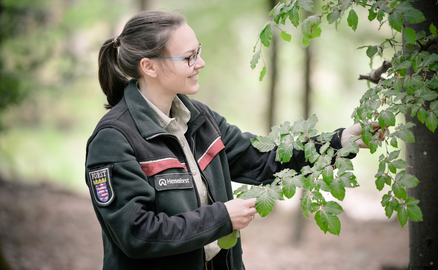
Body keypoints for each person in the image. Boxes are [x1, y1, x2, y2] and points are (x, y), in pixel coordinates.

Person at [85, 10, 383, 270]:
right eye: (189, 57)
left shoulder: (199, 118)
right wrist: (221, 218)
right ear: (149, 67)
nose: (201, 63)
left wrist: (339, 141)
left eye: (198, 51)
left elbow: (262, 158)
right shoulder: (113, 140)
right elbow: (137, 234)